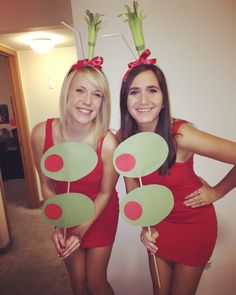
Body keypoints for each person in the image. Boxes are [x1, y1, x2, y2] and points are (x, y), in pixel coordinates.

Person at [119, 61, 236, 295]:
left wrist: (217, 192)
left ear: (163, 99)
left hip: (194, 225)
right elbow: (134, 191)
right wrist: (146, 227)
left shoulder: (181, 135)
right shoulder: (123, 138)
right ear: (125, 100)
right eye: (134, 92)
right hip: (159, 225)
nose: (143, 100)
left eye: (152, 90)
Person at [31, 60, 119, 295]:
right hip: (68, 212)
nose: (88, 101)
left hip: (100, 213)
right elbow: (46, 183)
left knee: (95, 283)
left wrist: (80, 230)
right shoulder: (41, 133)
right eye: (80, 90)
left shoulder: (108, 143)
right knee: (78, 284)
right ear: (66, 92)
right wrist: (60, 223)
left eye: (97, 94)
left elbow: (105, 193)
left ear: (103, 102)